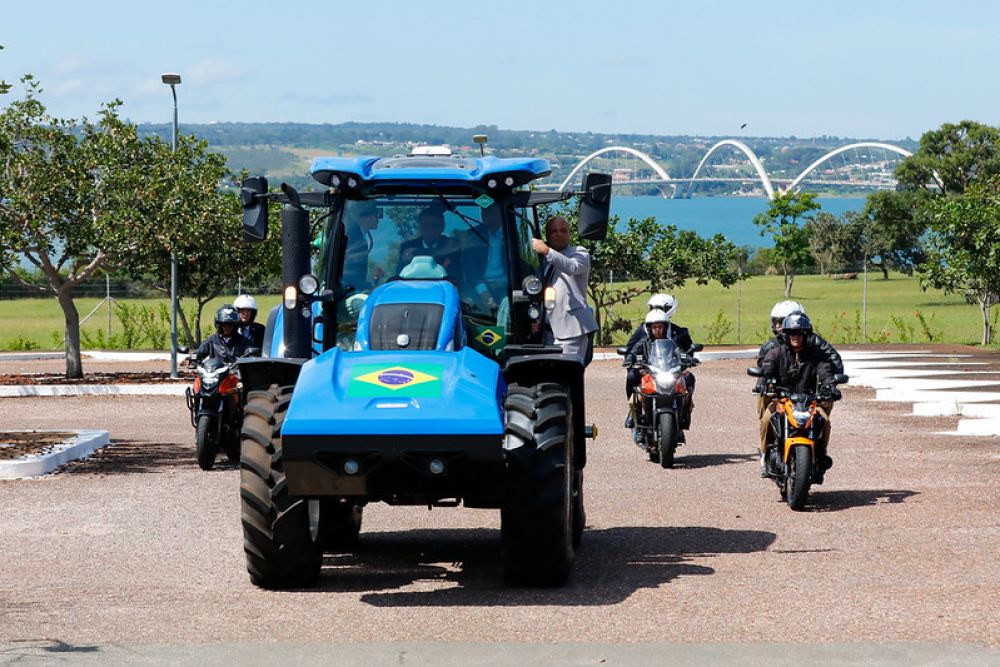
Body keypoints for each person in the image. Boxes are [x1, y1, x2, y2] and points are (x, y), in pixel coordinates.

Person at [760, 312, 841, 483]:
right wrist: (764, 380)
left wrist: (830, 387)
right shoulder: (776, 353)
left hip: (810, 401)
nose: (795, 337)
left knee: (824, 420)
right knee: (768, 418)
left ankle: (820, 455)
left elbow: (825, 372)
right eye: (791, 333)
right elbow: (767, 367)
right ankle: (764, 456)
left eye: (799, 333)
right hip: (782, 400)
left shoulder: (816, 355)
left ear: (806, 334)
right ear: (786, 335)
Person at [531, 215, 598, 365]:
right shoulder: (540, 261)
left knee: (567, 373)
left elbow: (571, 267)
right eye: (554, 231)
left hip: (572, 330)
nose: (559, 234)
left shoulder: (579, 253)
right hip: (547, 331)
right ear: (547, 235)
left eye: (563, 230)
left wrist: (547, 251)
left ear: (569, 234)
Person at [622, 293, 696, 427]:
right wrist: (632, 360)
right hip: (648, 369)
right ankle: (633, 410)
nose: (657, 329)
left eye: (660, 308)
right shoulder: (643, 331)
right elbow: (631, 349)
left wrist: (689, 358)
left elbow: (684, 350)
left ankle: (685, 410)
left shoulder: (678, 332)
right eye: (653, 307)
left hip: (672, 369)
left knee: (690, 378)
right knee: (632, 376)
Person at [396, 207, 461, 278]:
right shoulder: (407, 247)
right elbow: (398, 277)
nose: (430, 230)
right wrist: (404, 261)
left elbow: (458, 278)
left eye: (435, 226)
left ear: (442, 227)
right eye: (425, 226)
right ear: (420, 227)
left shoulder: (452, 248)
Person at [343, 200, 381, 292]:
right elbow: (352, 273)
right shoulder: (353, 238)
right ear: (365, 216)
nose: (378, 218)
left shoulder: (357, 235)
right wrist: (369, 287)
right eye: (376, 214)